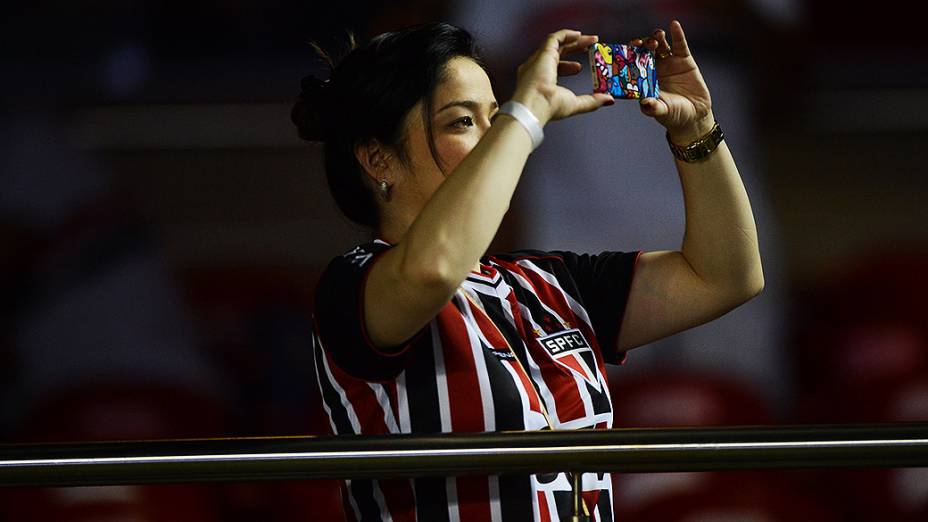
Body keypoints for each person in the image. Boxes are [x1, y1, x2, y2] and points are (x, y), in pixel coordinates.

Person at [292, 20, 763, 522]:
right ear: (378, 159)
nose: (501, 138)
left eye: (494, 117)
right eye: (461, 122)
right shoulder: (353, 281)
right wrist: (527, 113)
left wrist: (696, 128)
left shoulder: (551, 281)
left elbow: (726, 277)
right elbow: (433, 271)